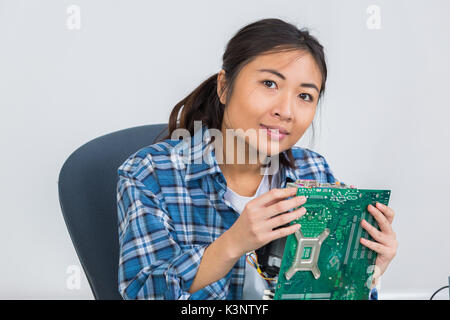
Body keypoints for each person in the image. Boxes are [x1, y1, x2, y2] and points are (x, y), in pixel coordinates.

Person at [116, 18, 398, 300]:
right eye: (269, 83)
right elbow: (145, 294)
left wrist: (364, 273)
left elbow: (323, 292)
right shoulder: (150, 173)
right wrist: (233, 243)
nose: (286, 111)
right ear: (224, 87)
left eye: (304, 95)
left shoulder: (313, 171)